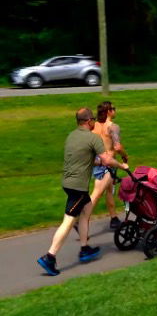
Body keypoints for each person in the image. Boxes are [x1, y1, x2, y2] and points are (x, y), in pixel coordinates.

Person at [37, 108, 128, 276]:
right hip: (77, 187)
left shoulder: (72, 136)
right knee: (68, 221)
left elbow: (86, 159)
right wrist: (122, 166)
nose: (95, 121)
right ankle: (50, 257)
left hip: (67, 182)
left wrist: (99, 164)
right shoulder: (92, 138)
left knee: (86, 211)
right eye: (93, 119)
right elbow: (107, 159)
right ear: (87, 121)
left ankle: (85, 248)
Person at [90, 101, 129, 229]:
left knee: (109, 190)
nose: (115, 110)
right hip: (107, 163)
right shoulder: (113, 127)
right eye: (113, 108)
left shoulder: (93, 125)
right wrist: (125, 155)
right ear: (109, 112)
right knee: (97, 193)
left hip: (96, 161)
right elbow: (117, 147)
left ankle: (114, 218)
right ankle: (80, 219)